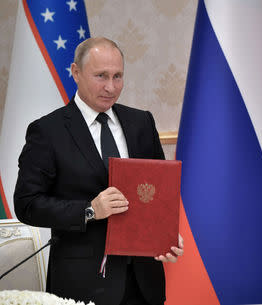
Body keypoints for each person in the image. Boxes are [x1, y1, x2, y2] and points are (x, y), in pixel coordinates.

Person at [14, 37, 183, 305]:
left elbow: (158, 194)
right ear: (76, 72)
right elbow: (27, 204)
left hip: (143, 283)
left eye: (118, 76)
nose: (111, 87)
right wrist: (89, 210)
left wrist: (165, 237)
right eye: (101, 76)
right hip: (82, 285)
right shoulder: (47, 131)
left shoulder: (141, 122)